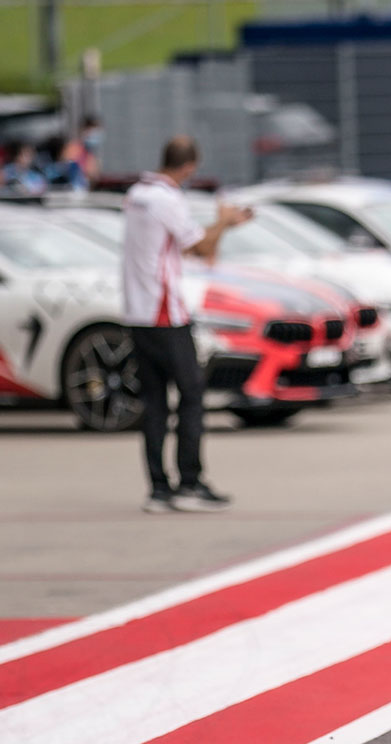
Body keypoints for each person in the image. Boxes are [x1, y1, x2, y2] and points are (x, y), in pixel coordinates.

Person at [122, 136, 252, 513]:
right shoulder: (168, 198)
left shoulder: (137, 194)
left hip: (137, 312)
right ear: (190, 166)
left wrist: (219, 229)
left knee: (155, 401)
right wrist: (225, 222)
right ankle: (190, 483)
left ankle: (158, 489)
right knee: (192, 393)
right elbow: (202, 247)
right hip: (165, 312)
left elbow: (185, 247)